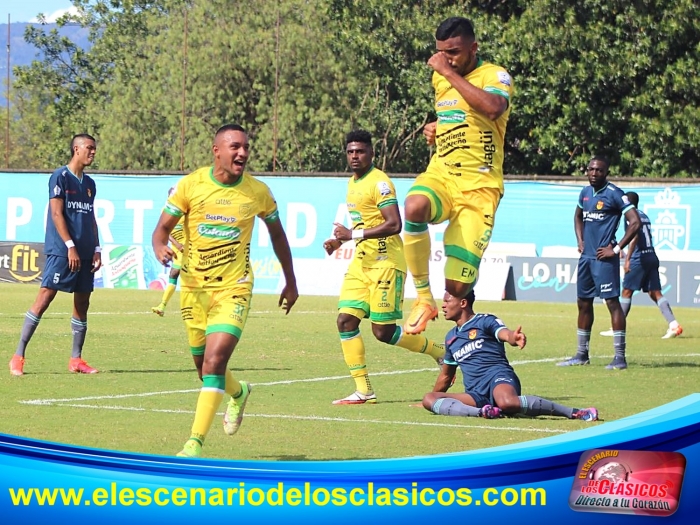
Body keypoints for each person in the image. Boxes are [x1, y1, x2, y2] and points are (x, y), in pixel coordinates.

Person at [152, 124, 298, 457]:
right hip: (193, 289)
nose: (243, 153)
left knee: (215, 362)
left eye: (246, 147)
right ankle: (239, 392)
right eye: (235, 147)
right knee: (203, 367)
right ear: (216, 150)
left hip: (234, 288)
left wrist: (290, 279)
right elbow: (161, 231)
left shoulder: (258, 192)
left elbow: (278, 235)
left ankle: (194, 444)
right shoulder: (191, 185)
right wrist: (160, 246)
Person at [402, 16, 514, 336]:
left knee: (457, 286)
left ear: (473, 47)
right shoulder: (441, 79)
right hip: (444, 173)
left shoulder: (495, 75)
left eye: (453, 52)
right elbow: (456, 113)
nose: (446, 59)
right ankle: (424, 299)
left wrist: (448, 71)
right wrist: (437, 128)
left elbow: (492, 108)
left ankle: (475, 338)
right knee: (414, 207)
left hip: (479, 188)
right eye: (441, 52)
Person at [323, 130, 445, 405]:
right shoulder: (353, 183)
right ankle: (363, 390)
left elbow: (394, 224)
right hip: (362, 263)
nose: (355, 156)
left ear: (371, 153)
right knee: (345, 321)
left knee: (383, 332)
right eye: (351, 151)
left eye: (361, 151)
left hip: (386, 264)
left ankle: (439, 350)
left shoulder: (380, 183)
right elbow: (364, 223)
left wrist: (351, 236)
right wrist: (338, 242)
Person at [422, 291, 599, 422]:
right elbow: (446, 375)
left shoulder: (485, 320)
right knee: (428, 399)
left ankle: (574, 412)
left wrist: (513, 337)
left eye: (447, 301)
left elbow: (504, 334)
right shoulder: (451, 338)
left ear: (462, 303)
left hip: (499, 378)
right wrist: (436, 396)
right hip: (475, 393)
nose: (443, 306)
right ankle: (483, 412)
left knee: (506, 402)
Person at [9, 134, 102, 376]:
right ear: (76, 149)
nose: (93, 152)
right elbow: (57, 214)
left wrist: (97, 248)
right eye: (89, 148)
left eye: (94, 148)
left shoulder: (90, 184)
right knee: (45, 298)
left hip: (85, 252)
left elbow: (91, 218)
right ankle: (18, 355)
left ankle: (76, 359)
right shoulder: (59, 176)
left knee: (82, 304)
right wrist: (70, 245)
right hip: (62, 251)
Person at [558, 156, 640, 370]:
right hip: (586, 258)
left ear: (606, 173)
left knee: (612, 303)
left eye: (599, 171)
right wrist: (580, 240)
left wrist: (615, 249)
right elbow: (577, 216)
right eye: (591, 170)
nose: (594, 173)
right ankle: (581, 354)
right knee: (583, 302)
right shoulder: (584, 193)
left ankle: (620, 358)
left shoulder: (615, 194)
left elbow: (635, 222)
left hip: (604, 259)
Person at [600, 192, 683, 339]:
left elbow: (635, 236)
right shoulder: (644, 215)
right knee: (655, 292)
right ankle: (674, 325)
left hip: (639, 258)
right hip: (651, 255)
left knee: (626, 292)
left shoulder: (630, 216)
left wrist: (628, 259)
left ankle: (616, 328)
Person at [151, 187, 185, 317]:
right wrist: (176, 244)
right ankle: (162, 305)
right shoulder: (166, 211)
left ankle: (162, 305)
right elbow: (165, 230)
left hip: (188, 247)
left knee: (177, 274)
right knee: (174, 274)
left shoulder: (185, 210)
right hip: (178, 248)